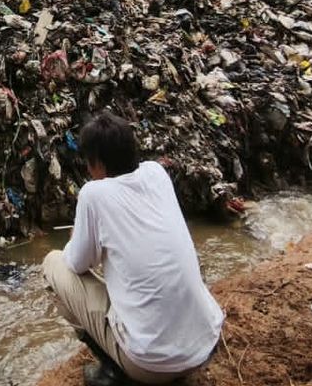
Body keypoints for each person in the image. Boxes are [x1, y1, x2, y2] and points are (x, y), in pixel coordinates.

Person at [43, 111, 224, 385]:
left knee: (52, 264)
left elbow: (78, 264)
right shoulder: (156, 173)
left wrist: (73, 239)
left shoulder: (93, 194)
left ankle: (113, 371)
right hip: (206, 341)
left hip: (151, 365)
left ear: (98, 164)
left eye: (89, 163)